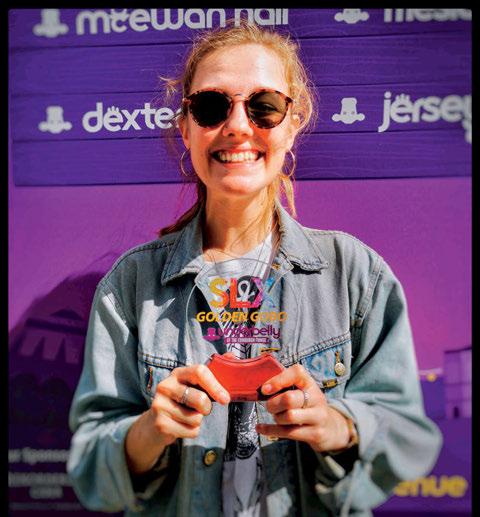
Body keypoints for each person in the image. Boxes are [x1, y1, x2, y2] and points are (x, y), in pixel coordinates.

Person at [67, 20, 442, 517]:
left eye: (264, 106)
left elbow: (408, 435)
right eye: (211, 106)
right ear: (186, 127)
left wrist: (336, 426)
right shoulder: (132, 286)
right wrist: (150, 430)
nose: (238, 126)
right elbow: (92, 472)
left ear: (293, 122)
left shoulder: (354, 275)